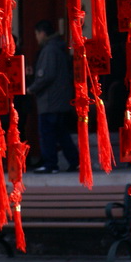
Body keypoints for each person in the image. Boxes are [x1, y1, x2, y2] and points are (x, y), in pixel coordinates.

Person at [26, 20, 79, 174]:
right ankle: (75, 161)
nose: (36, 38)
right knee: (61, 133)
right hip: (59, 99)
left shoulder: (49, 50)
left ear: (42, 33)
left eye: (36, 34)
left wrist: (32, 88)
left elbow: (46, 76)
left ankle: (51, 164)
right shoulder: (58, 47)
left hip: (50, 100)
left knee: (47, 132)